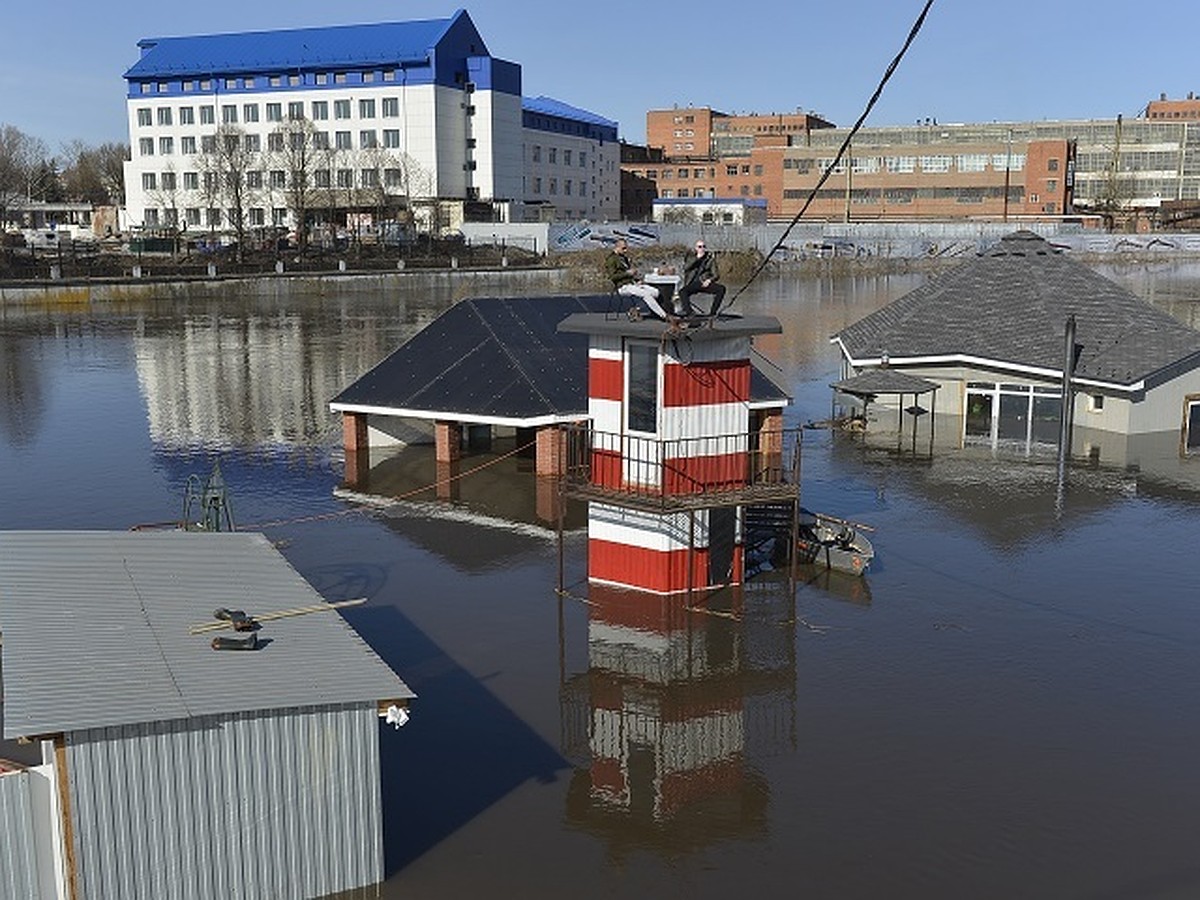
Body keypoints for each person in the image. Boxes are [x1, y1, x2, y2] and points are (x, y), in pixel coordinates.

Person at [604, 238, 670, 319]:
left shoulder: (623, 258)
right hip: (622, 286)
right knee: (646, 294)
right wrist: (627, 273)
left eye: (626, 248)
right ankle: (665, 316)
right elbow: (612, 277)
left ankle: (635, 309)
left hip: (632, 283)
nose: (625, 250)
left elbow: (628, 273)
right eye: (623, 248)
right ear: (617, 247)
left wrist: (636, 279)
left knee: (656, 292)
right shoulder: (611, 259)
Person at [678, 240, 726, 318]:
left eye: (704, 247)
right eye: (700, 247)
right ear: (696, 248)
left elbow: (716, 275)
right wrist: (697, 258)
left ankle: (712, 313)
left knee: (721, 289)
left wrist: (709, 280)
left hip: (703, 283)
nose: (702, 249)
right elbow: (685, 268)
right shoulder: (690, 257)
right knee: (682, 292)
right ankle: (690, 313)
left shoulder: (710, 259)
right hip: (692, 283)